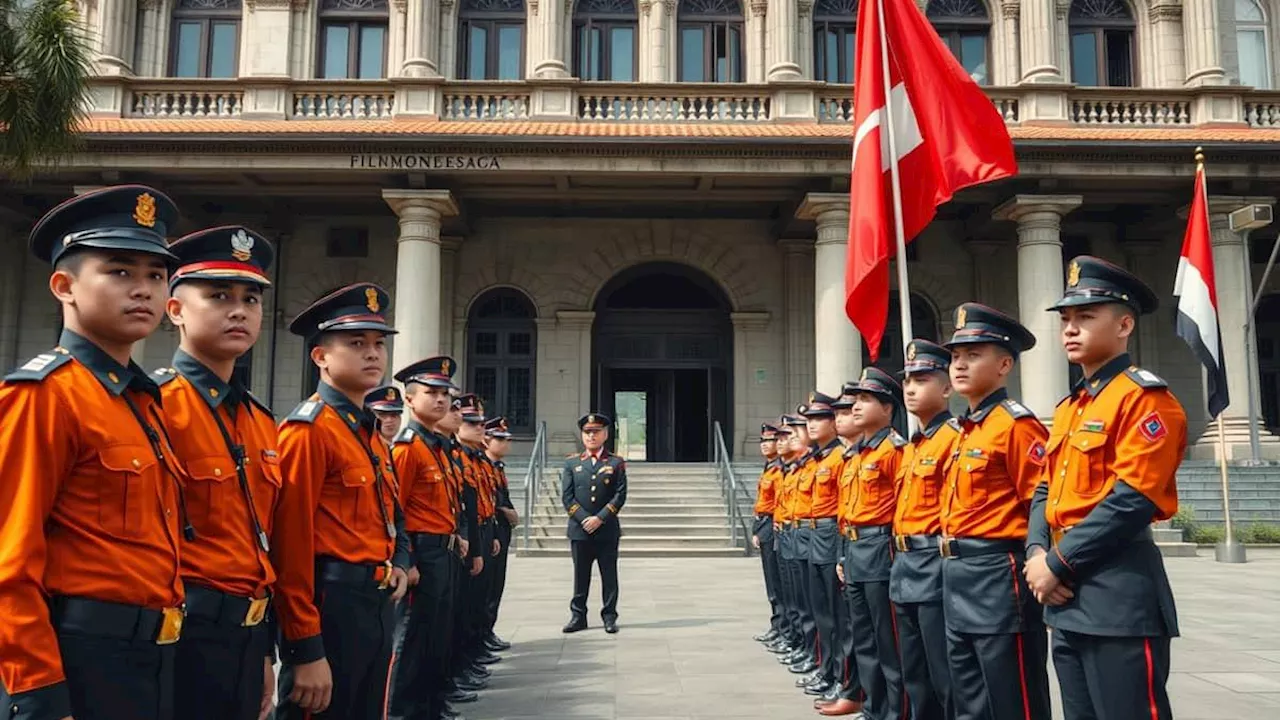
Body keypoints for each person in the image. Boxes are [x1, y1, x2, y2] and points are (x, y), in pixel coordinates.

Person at [0, 185, 186, 720]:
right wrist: (35, 690)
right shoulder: (43, 396)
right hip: (78, 657)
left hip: (152, 655)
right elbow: (10, 562)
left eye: (156, 275)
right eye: (120, 272)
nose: (144, 290)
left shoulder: (143, 402)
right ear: (65, 286)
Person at [1027, 256, 1186, 720]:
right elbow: (1044, 491)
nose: (1071, 329)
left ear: (1124, 325)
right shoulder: (1071, 407)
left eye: (1086, 317)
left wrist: (1057, 563)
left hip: (1117, 591)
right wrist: (1037, 553)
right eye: (1066, 320)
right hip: (1064, 594)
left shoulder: (1145, 399)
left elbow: (1133, 498)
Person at [154, 225, 281, 720]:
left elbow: (260, 541)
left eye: (251, 299)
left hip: (246, 635)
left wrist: (266, 650)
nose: (238, 310)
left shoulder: (257, 420)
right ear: (176, 310)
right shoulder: (157, 407)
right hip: (180, 638)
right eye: (219, 295)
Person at [272, 283, 412, 720]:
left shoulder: (367, 432)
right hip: (332, 604)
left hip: (375, 599)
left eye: (377, 344)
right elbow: (289, 547)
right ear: (320, 357)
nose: (373, 354)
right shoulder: (308, 431)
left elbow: (390, 513)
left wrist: (401, 563)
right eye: (356, 343)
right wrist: (303, 646)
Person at [941, 302, 1052, 720]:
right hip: (957, 577)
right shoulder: (964, 429)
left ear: (1005, 364)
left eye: (973, 355)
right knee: (970, 699)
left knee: (1013, 699)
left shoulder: (1017, 426)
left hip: (998, 578)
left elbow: (1039, 504)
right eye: (955, 357)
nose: (960, 366)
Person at [389, 356, 470, 720]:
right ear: (409, 400)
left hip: (443, 549)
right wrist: (407, 562)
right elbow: (395, 510)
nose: (440, 400)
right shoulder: (407, 448)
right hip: (423, 552)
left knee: (436, 636)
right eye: (431, 393)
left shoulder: (435, 446)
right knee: (412, 640)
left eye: (444, 394)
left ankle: (429, 707)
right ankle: (403, 711)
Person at [827, 368, 905, 720]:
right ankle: (873, 708)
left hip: (880, 549)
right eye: (854, 400)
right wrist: (844, 552)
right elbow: (848, 511)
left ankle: (895, 710)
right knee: (864, 638)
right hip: (856, 550)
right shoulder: (856, 455)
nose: (856, 407)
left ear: (888, 408)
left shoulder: (894, 450)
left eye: (865, 400)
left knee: (888, 640)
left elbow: (903, 506)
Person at [892, 339, 960, 720]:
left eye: (922, 379)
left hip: (934, 565)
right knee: (915, 672)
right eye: (907, 381)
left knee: (944, 673)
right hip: (904, 566)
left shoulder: (954, 437)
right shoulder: (913, 445)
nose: (911, 388)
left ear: (947, 387)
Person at [561, 413, 628, 634]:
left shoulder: (616, 462)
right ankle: (578, 616)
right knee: (580, 575)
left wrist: (600, 518)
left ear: (605, 434)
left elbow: (619, 495)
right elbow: (567, 497)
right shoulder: (572, 463)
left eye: (596, 432)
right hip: (580, 530)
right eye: (587, 432)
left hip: (606, 529)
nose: (591, 436)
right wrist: (583, 519)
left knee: (609, 575)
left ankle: (609, 616)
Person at [799, 393, 847, 701]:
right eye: (810, 420)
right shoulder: (818, 459)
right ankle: (828, 670)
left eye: (819, 419)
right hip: (816, 537)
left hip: (833, 536)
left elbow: (845, 506)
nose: (812, 425)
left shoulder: (840, 457)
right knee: (822, 614)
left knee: (837, 616)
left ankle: (842, 677)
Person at [453, 395, 503, 670]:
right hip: (457, 539)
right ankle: (460, 665)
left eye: (481, 422)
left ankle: (471, 655)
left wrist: (491, 533)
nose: (479, 427)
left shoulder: (476, 460)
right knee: (461, 608)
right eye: (471, 422)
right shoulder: (457, 457)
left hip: (480, 531)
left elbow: (485, 502)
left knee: (476, 600)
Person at [483, 416, 519, 653]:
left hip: (501, 533)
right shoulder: (483, 466)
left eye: (507, 439)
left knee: (496, 586)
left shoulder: (497, 467)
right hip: (490, 533)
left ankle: (488, 632)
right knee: (486, 590)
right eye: (500, 439)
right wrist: (506, 512)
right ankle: (482, 636)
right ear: (487, 440)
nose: (506, 444)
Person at [751, 423, 785, 645]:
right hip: (764, 523)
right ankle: (777, 624)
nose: (765, 445)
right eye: (762, 442)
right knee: (771, 582)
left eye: (769, 441)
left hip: (774, 523)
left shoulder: (780, 469)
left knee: (777, 582)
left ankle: (781, 627)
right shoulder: (769, 468)